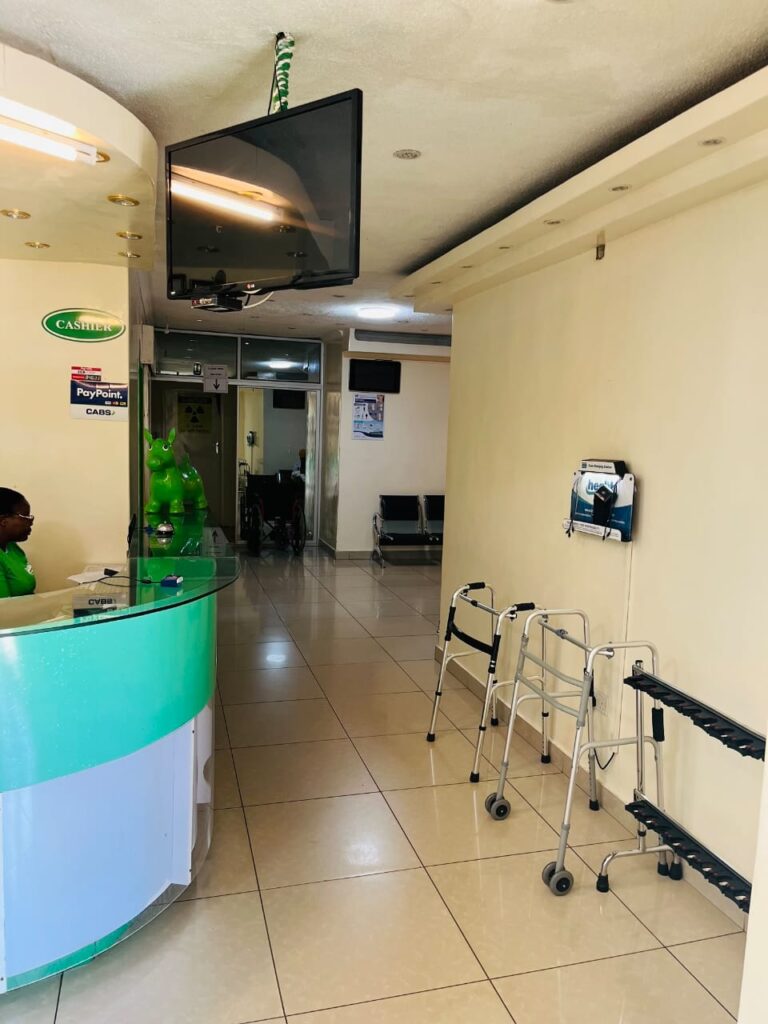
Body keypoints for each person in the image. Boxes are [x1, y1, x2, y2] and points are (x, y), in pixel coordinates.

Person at [0, 488, 36, 598]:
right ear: (3, 521)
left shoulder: (12, 547)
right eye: (26, 516)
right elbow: (5, 607)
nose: (31, 522)